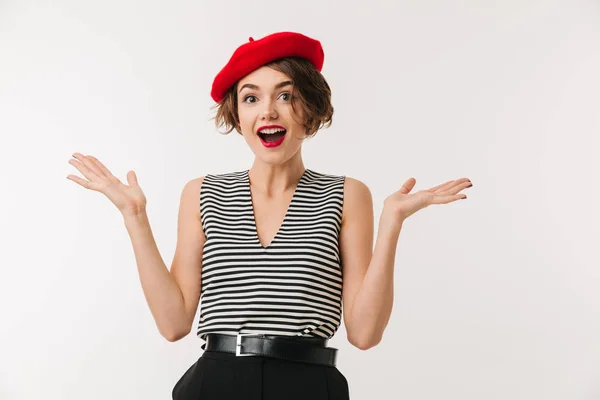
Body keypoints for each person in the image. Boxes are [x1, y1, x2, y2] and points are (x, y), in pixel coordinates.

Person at [67, 31, 472, 400]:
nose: (268, 112)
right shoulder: (202, 193)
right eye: (250, 98)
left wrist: (391, 226)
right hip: (215, 383)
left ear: (310, 110)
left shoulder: (346, 195)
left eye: (285, 95)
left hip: (310, 385)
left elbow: (365, 334)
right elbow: (173, 324)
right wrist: (134, 215)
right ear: (237, 116)